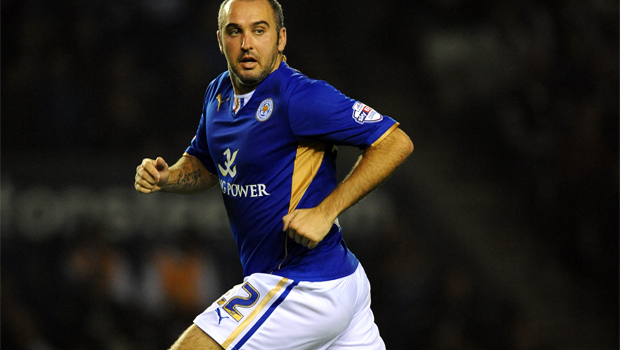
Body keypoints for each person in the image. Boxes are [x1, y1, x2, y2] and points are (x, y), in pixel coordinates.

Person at [134, 0, 413, 348]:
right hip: (340, 281)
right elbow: (208, 162)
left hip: (305, 283)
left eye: (259, 30)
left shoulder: (300, 97)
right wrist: (168, 177)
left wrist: (327, 211)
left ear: (281, 39)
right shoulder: (217, 93)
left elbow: (395, 142)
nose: (247, 43)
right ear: (220, 40)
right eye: (235, 31)